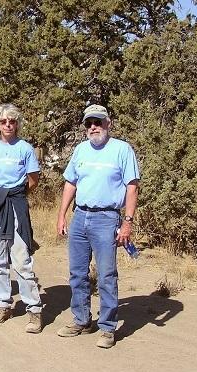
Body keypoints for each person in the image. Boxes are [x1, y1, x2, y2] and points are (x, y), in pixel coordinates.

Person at [56, 104, 140, 349]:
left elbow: (132, 187)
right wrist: (62, 216)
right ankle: (81, 320)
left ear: (108, 123)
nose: (93, 127)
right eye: (89, 123)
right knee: (78, 273)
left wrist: (128, 222)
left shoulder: (122, 150)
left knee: (106, 275)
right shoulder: (81, 151)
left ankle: (107, 327)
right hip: (80, 216)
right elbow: (70, 183)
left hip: (107, 219)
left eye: (98, 122)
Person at [0, 104, 43, 333]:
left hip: (15, 205)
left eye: (12, 121)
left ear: (17, 124)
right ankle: (3, 304)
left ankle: (33, 309)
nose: (7, 125)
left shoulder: (25, 148)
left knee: (22, 259)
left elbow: (33, 179)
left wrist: (17, 194)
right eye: (3, 121)